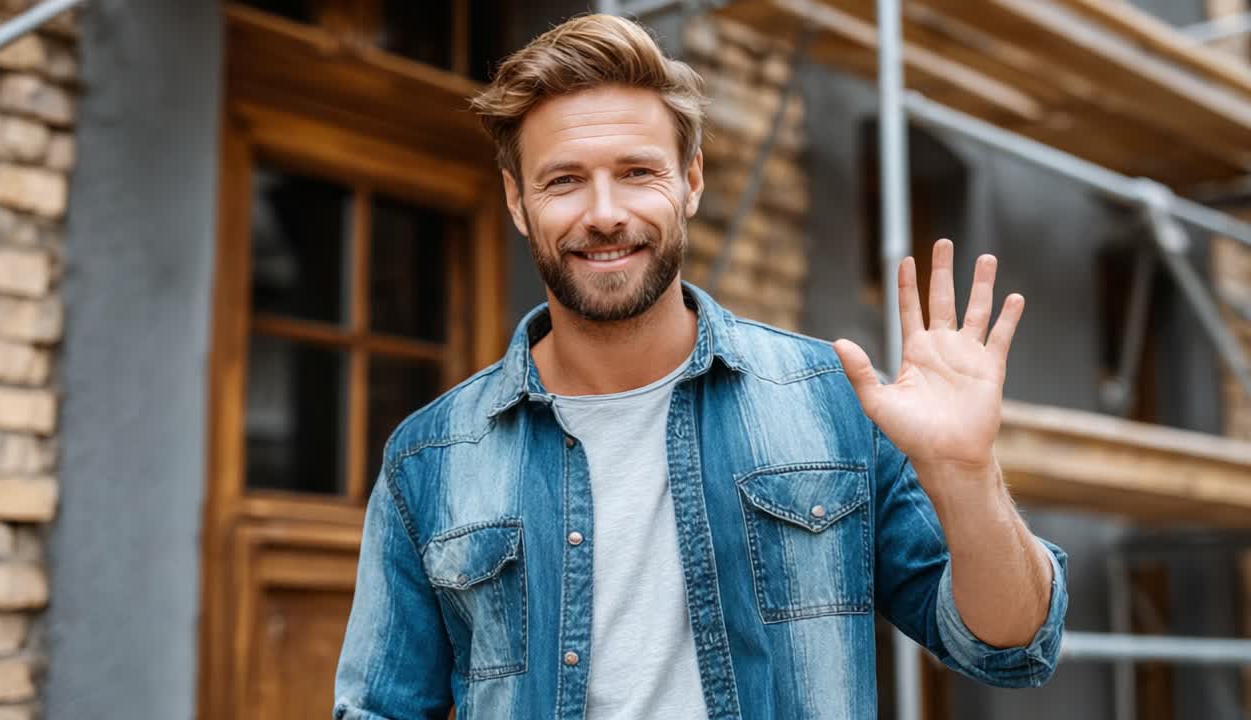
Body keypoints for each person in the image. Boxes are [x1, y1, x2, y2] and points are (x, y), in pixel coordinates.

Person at [334, 13, 1066, 720]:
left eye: (637, 171)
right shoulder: (429, 461)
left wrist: (968, 478)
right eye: (563, 182)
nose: (605, 212)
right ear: (517, 201)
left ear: (691, 181)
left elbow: (1009, 648)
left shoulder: (829, 403)